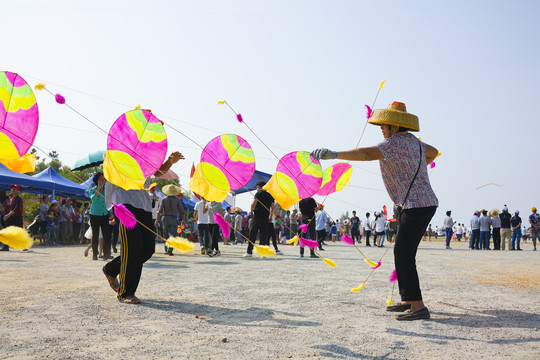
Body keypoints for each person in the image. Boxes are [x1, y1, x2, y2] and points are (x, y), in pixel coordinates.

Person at [312, 101, 438, 321]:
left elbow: (366, 154)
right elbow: (434, 152)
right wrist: (411, 164)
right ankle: (407, 299)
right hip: (423, 203)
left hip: (416, 205)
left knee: (403, 253)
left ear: (395, 127)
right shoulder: (415, 143)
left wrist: (334, 154)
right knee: (404, 252)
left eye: (384, 125)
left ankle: (418, 306)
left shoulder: (393, 143)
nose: (381, 129)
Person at [103, 151, 184, 304]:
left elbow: (158, 171)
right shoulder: (118, 151)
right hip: (123, 201)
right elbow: (108, 162)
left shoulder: (144, 155)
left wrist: (170, 161)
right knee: (132, 248)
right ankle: (126, 292)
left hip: (143, 205)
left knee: (147, 249)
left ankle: (112, 269)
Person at [244, 181, 275, 257]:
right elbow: (273, 207)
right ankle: (262, 253)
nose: (256, 189)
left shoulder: (258, 194)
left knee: (252, 234)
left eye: (257, 187)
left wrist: (251, 211)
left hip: (257, 217)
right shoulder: (270, 195)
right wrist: (271, 216)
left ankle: (249, 252)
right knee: (263, 236)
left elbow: (253, 204)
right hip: (265, 218)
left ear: (261, 187)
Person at [156, 184, 185, 256]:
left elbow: (159, 211)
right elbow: (182, 211)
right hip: (174, 218)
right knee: (173, 235)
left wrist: (157, 221)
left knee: (165, 234)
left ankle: (166, 249)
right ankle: (170, 249)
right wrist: (183, 220)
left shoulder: (164, 199)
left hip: (165, 218)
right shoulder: (177, 200)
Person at [89, 173, 112, 260]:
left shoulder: (107, 190)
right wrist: (98, 188)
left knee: (107, 235)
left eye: (103, 179)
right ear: (97, 181)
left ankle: (107, 253)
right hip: (94, 214)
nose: (102, 181)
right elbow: (94, 199)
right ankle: (95, 253)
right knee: (95, 235)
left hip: (104, 214)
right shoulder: (92, 189)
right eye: (100, 179)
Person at [2, 185, 24, 251]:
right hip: (11, 218)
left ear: (18, 191)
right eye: (12, 189)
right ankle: (6, 247)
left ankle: (25, 245)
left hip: (17, 217)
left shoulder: (19, 199)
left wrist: (7, 215)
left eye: (15, 189)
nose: (13, 190)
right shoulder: (8, 200)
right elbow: (3, 208)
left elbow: (16, 209)